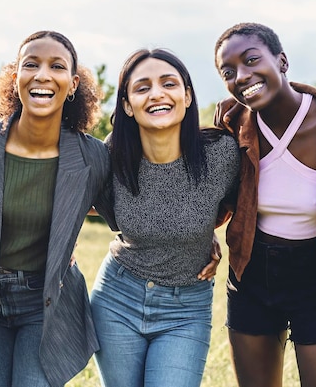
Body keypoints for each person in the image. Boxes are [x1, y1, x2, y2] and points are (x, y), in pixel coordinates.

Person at [0, 30, 112, 387]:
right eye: (31, 64)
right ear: (16, 76)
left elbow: (125, 213)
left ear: (72, 84)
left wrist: (198, 238)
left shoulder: (92, 156)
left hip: (46, 302)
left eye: (57, 66)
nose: (42, 75)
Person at [212, 22, 316, 387]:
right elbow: (208, 192)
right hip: (253, 272)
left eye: (252, 60)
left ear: (281, 61)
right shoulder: (232, 125)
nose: (242, 76)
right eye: (229, 72)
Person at [89, 48, 240, 387]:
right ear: (127, 105)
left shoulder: (220, 154)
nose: (156, 94)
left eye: (168, 84)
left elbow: (232, 207)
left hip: (185, 308)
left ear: (186, 96)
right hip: (116, 299)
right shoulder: (114, 155)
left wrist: (207, 237)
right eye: (142, 87)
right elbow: (84, 204)